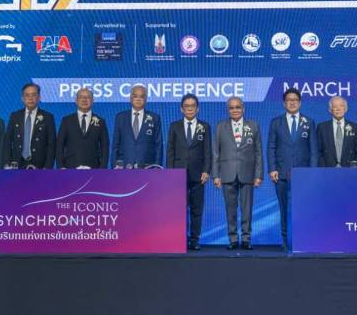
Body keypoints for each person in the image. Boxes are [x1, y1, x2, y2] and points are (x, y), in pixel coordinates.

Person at [267, 88, 317, 250]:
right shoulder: (276, 122)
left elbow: (313, 150)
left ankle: (303, 238)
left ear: (300, 103)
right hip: (281, 173)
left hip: (303, 174)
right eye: (289, 100)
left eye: (295, 100)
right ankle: (286, 240)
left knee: (304, 207)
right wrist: (272, 168)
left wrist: (312, 172)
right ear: (284, 103)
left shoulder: (309, 122)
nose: (292, 102)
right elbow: (271, 147)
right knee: (284, 208)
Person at [212, 96, 263, 250]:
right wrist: (216, 175)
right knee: (230, 209)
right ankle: (233, 239)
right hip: (227, 173)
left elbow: (258, 152)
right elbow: (215, 153)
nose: (235, 110)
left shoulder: (253, 126)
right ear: (228, 110)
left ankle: (246, 238)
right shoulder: (220, 127)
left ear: (243, 108)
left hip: (247, 173)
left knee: (247, 208)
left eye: (237, 107)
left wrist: (258, 175)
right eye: (231, 108)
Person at [166, 94, 212, 251]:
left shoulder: (204, 126)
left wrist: (206, 170)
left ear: (198, 108)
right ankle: (179, 238)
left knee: (196, 209)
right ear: (182, 109)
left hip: (198, 175)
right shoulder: (174, 126)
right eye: (187, 106)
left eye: (193, 105)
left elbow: (208, 151)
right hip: (178, 174)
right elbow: (170, 151)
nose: (190, 108)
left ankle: (194, 239)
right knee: (178, 208)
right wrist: (170, 173)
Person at [3, 83, 56, 169]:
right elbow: (7, 141)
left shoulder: (48, 117)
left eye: (34, 95)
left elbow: (51, 145)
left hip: (39, 165)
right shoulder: (15, 116)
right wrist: (7, 163)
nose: (30, 98)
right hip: (16, 164)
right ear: (22, 98)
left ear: (39, 97)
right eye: (27, 95)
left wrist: (47, 167)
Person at [56, 88, 109, 169]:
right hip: (70, 168)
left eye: (88, 97)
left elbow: (105, 147)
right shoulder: (66, 121)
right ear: (76, 101)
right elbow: (60, 145)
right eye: (81, 97)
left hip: (94, 169)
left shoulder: (101, 122)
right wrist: (61, 167)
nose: (84, 100)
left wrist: (102, 169)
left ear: (93, 101)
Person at [111, 85, 163, 168]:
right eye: (135, 96)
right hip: (124, 166)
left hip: (147, 167)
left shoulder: (155, 118)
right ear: (130, 98)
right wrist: (114, 165)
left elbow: (158, 145)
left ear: (146, 99)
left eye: (141, 96)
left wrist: (157, 167)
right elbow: (115, 144)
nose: (138, 99)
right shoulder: (120, 117)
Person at [317, 96, 357, 167]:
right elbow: (318, 152)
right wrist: (323, 169)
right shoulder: (322, 127)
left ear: (345, 109)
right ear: (330, 110)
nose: (338, 109)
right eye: (335, 106)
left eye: (341, 106)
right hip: (327, 169)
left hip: (349, 170)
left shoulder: (355, 127)